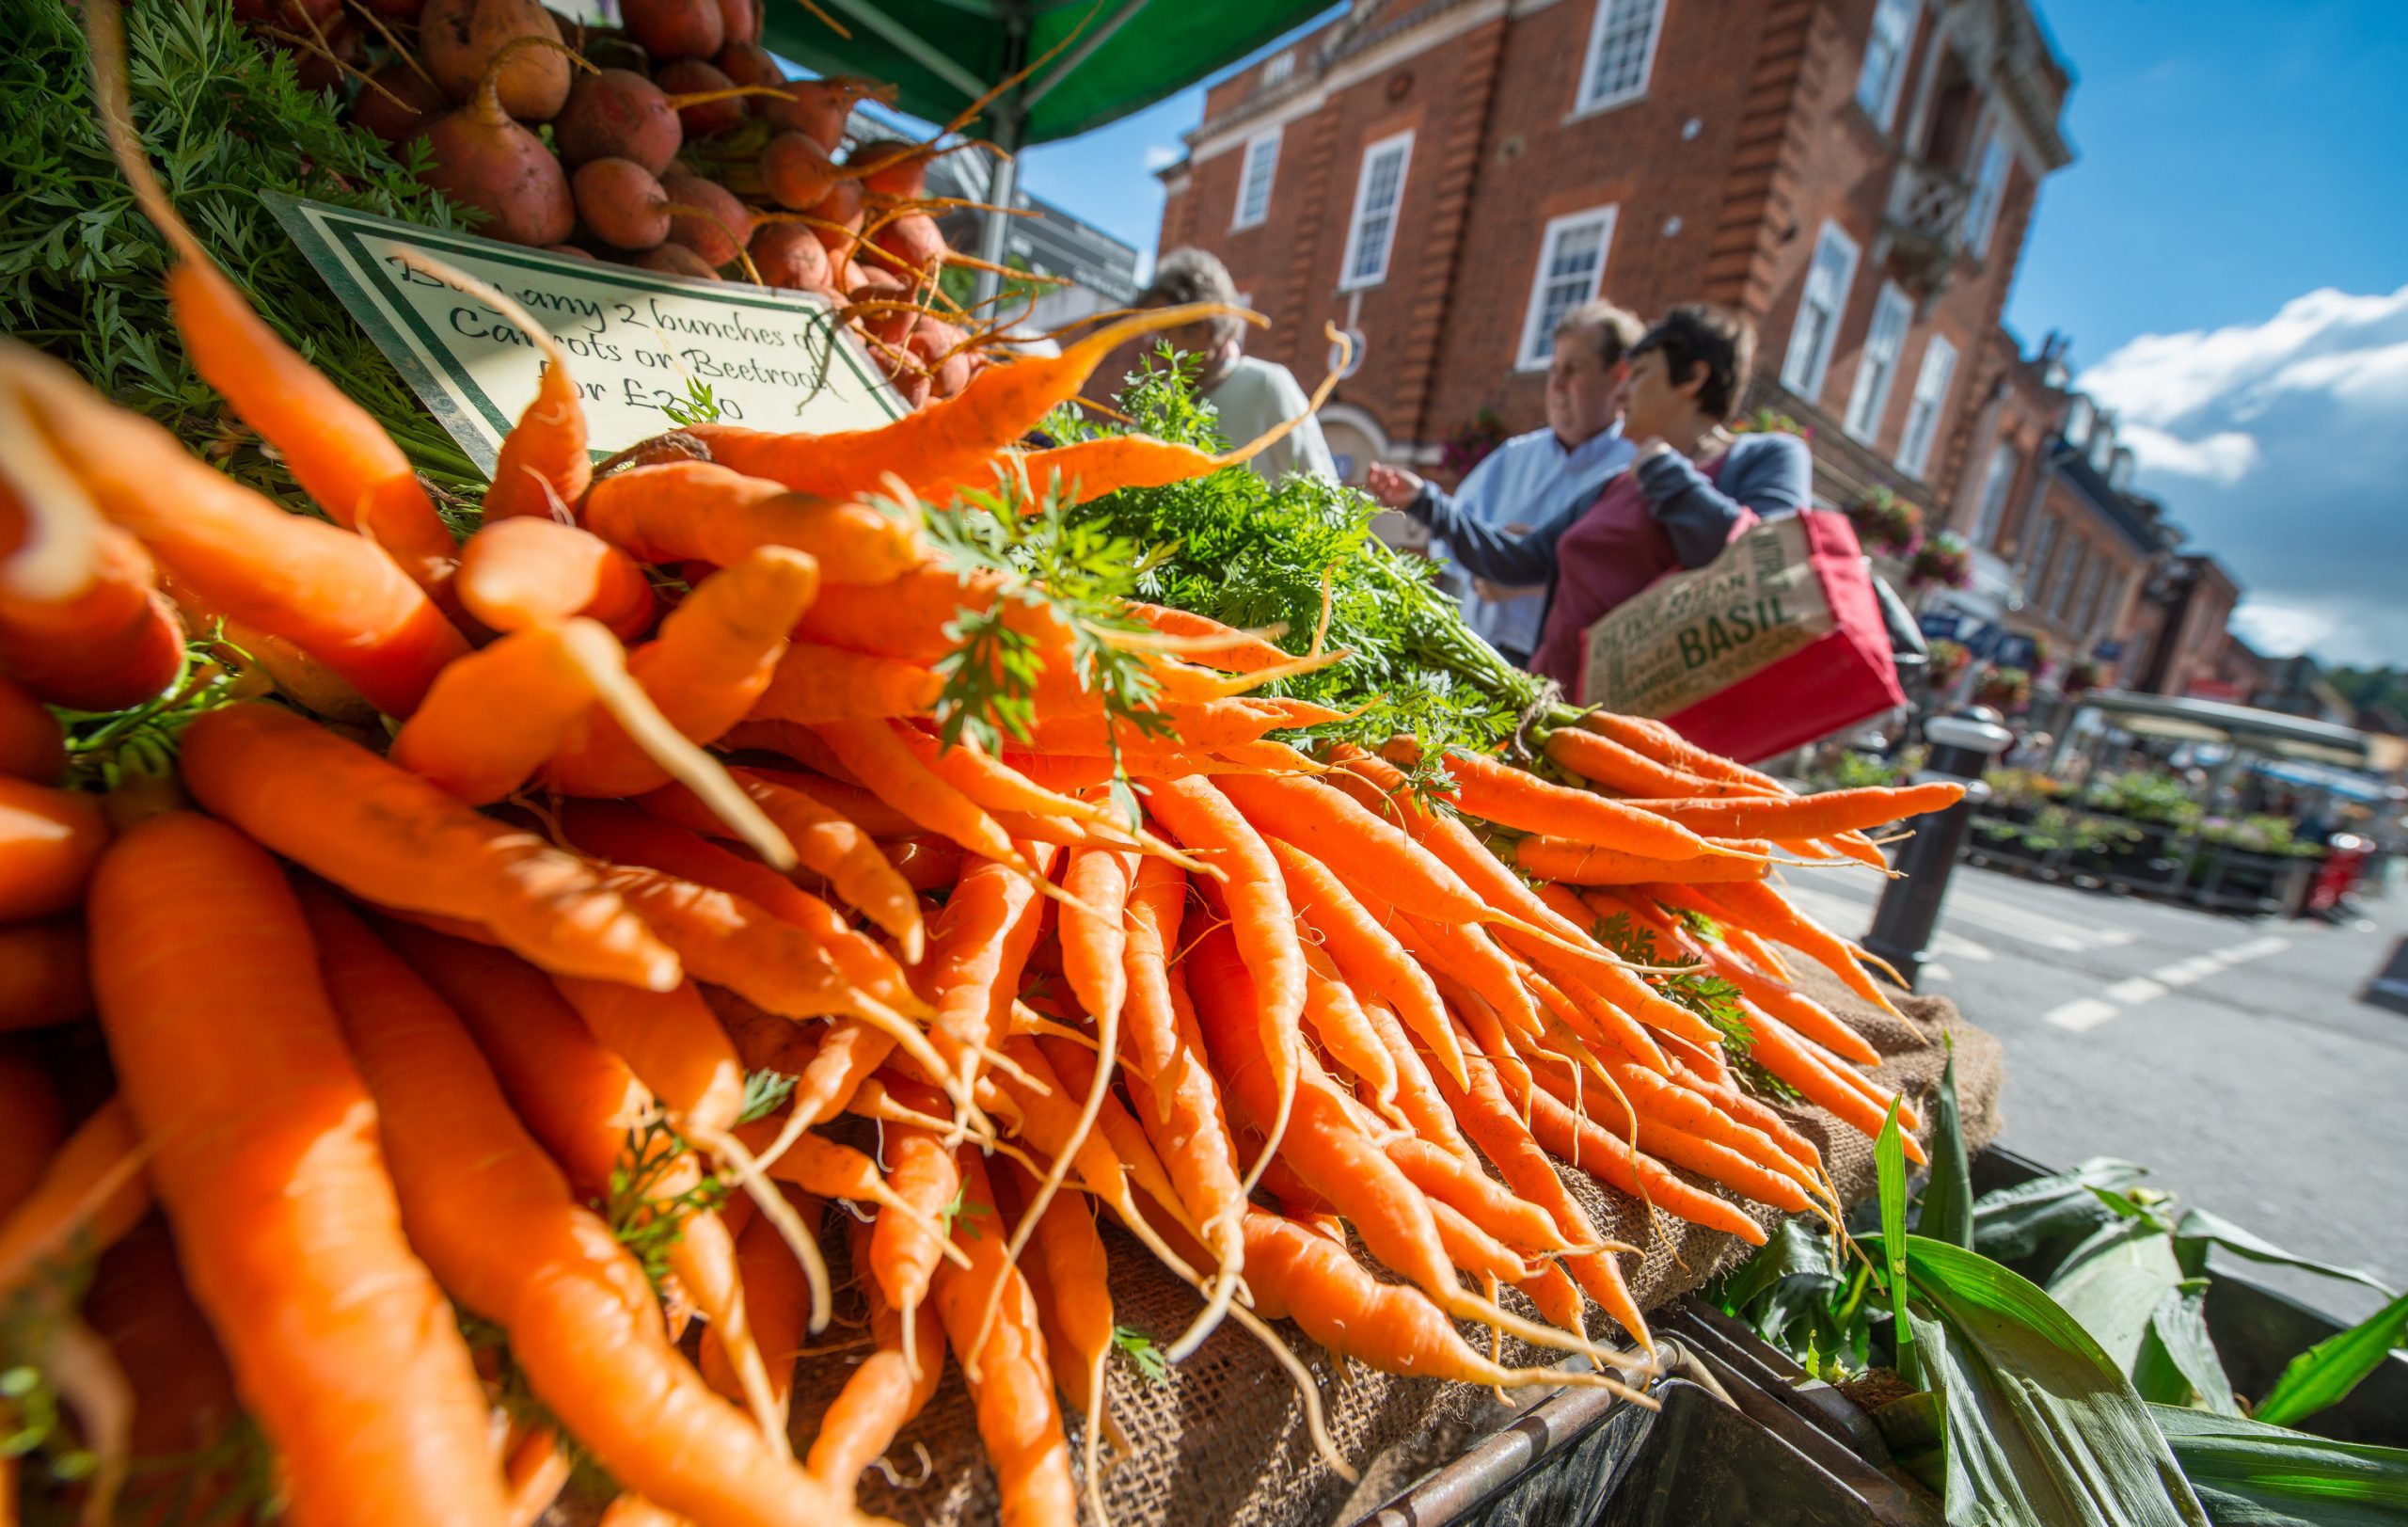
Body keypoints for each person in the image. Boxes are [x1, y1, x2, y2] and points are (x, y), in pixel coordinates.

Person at [1391, 304, 1812, 692]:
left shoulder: (1765, 456)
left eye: (1641, 374)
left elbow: (1766, 566)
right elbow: (1516, 561)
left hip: (1652, 732)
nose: (1623, 393)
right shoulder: (1617, 484)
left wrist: (1664, 471)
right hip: (1554, 708)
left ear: (1693, 378)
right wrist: (1425, 501)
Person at [1364, 300, 1642, 667]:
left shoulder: (1636, 470)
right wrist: (1485, 566)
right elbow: (1444, 547)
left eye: (1573, 371)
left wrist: (1534, 577)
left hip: (1565, 677)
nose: (1556, 386)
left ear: (1618, 375)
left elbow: (1637, 584)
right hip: (1475, 659)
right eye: (1553, 369)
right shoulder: (1513, 457)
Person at [1133, 247, 1339, 485]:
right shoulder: (1157, 407)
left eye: (1163, 332)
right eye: (1149, 334)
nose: (1150, 348)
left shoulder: (1266, 385)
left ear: (1205, 328)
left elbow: (1324, 495)